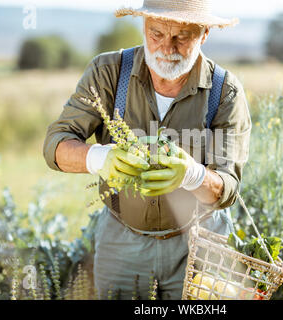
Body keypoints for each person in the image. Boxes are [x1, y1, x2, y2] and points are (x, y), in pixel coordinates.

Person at [43, 0, 251, 300]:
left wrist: (192, 175)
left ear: (204, 33)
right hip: (122, 241)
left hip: (198, 243)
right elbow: (56, 144)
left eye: (182, 36)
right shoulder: (108, 73)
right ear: (143, 26)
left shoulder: (225, 91)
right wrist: (100, 158)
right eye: (156, 34)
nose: (167, 48)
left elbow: (228, 188)